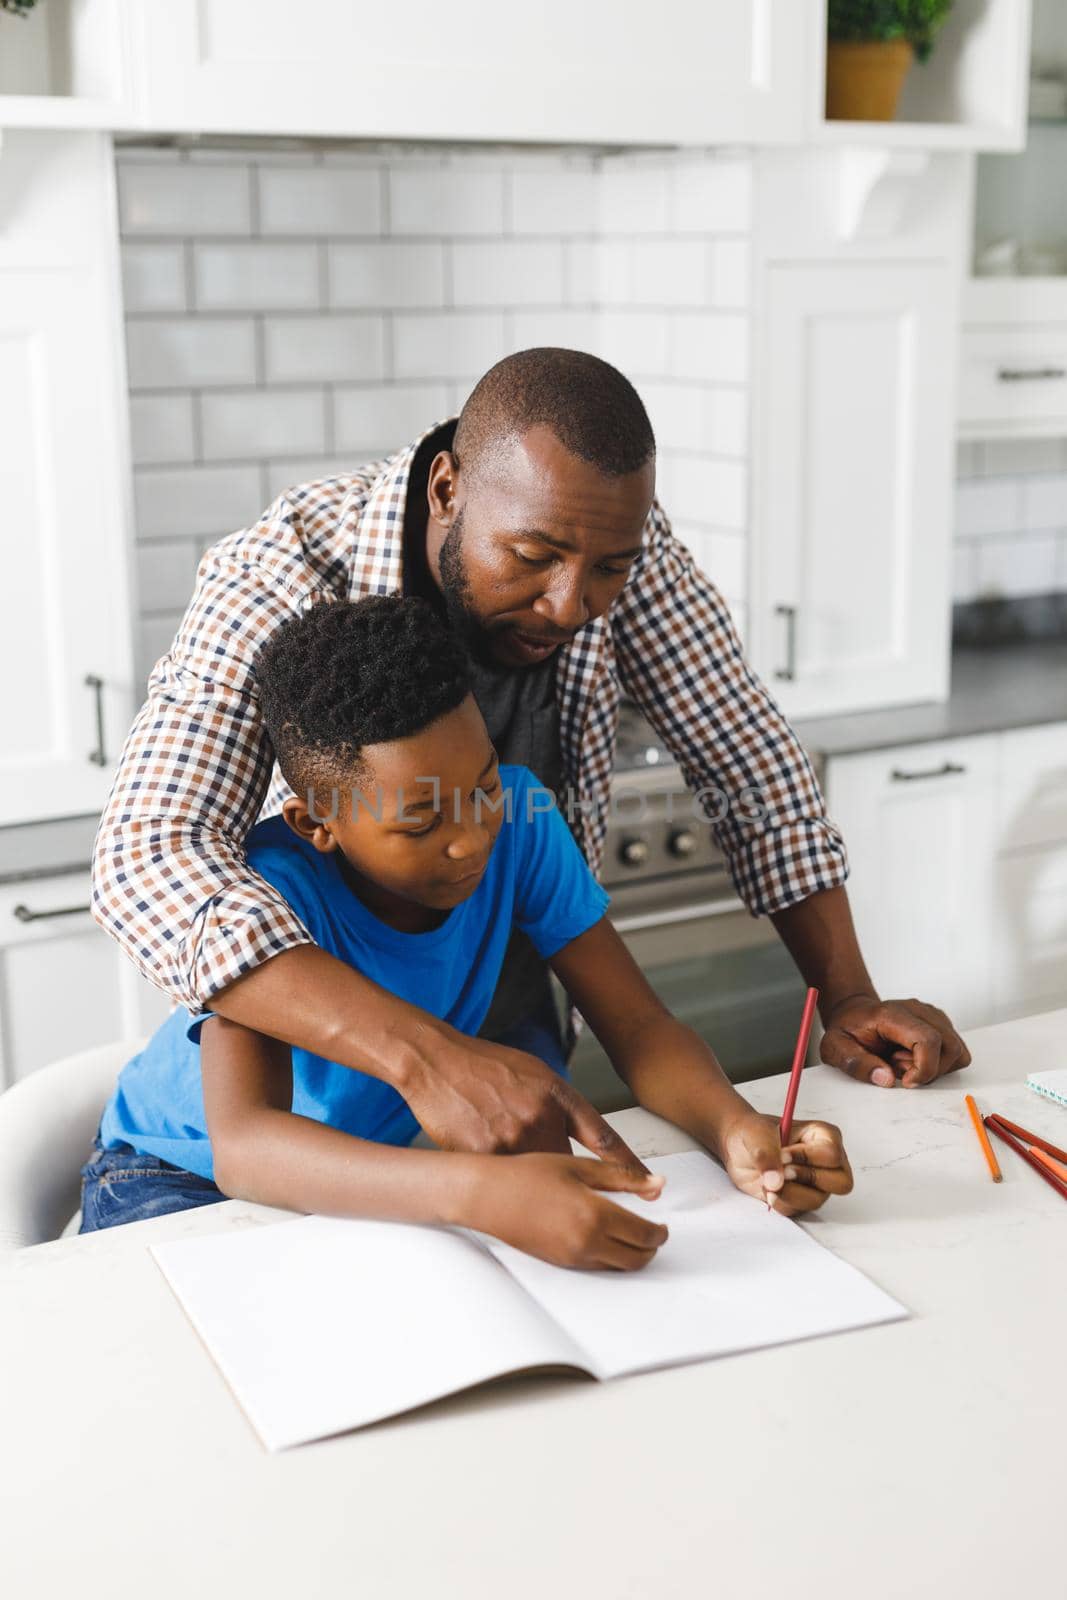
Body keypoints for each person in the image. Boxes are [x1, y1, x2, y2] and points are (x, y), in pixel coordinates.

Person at [91, 347, 970, 1166]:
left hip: (513, 1024)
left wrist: (849, 996)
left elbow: (748, 760)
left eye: (606, 572)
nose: (568, 605)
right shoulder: (283, 573)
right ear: (447, 489)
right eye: (531, 558)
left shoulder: (605, 532)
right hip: (339, 1072)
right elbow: (147, 857)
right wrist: (425, 1058)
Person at [80, 596, 853, 1264]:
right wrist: (480, 1193)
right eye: (420, 821)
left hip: (340, 1179)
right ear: (316, 822)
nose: (472, 837)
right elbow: (246, 1147)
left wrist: (734, 1129)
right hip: (173, 1179)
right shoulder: (271, 894)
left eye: (481, 784)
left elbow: (640, 1025)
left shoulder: (521, 820)